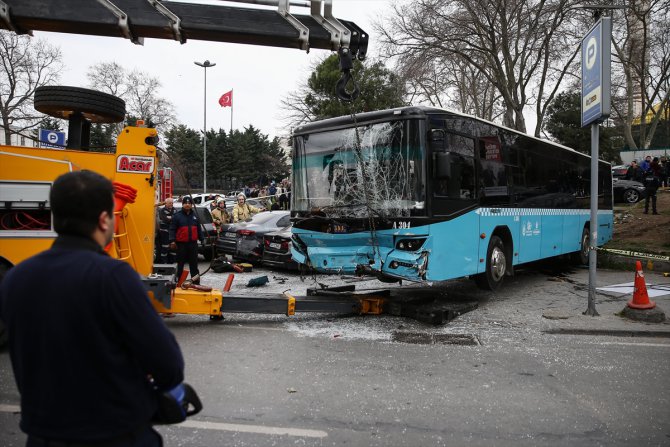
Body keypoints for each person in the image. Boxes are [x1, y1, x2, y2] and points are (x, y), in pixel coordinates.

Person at [0, 170, 184, 447]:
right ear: (103, 219)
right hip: (112, 433)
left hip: (43, 434)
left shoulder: (16, 277)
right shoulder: (114, 277)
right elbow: (168, 366)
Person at [169, 195, 203, 283]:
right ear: (182, 204)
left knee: (194, 266)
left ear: (191, 205)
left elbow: (199, 229)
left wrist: (202, 239)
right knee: (180, 265)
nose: (187, 205)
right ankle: (177, 283)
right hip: (181, 245)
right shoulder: (177, 216)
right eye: (185, 203)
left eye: (189, 203)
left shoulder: (195, 216)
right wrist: (172, 241)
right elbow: (172, 229)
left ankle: (196, 283)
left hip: (193, 244)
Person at [158, 197, 176, 263]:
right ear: (166, 203)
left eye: (172, 203)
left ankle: (172, 262)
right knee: (165, 248)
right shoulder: (162, 210)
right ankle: (164, 263)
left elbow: (175, 219)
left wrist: (170, 217)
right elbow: (165, 219)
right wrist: (171, 218)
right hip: (165, 233)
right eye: (170, 203)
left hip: (172, 232)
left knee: (173, 249)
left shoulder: (175, 210)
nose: (171, 204)